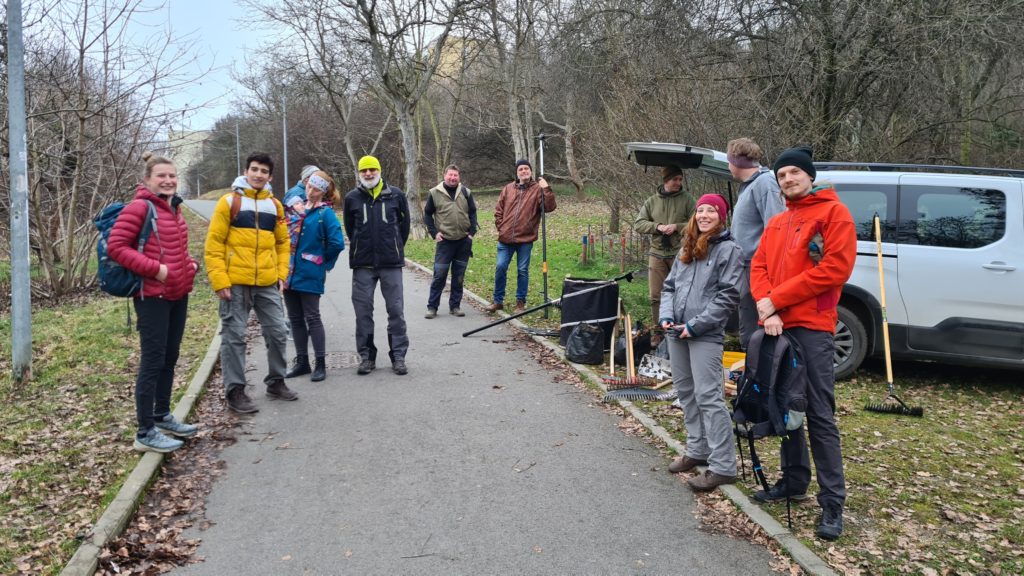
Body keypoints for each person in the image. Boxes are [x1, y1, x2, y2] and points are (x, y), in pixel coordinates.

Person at [749, 145, 857, 541]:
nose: (788, 178)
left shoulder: (834, 215)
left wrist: (777, 299)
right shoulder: (778, 222)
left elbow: (834, 269)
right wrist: (767, 308)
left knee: (818, 413)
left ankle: (833, 502)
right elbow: (758, 266)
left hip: (813, 328)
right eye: (781, 175)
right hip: (778, 328)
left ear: (810, 176)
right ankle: (793, 482)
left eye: (794, 172)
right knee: (784, 406)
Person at [108, 152, 200, 452]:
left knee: (169, 356)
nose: (168, 180)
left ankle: (162, 415)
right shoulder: (139, 207)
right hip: (152, 297)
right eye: (161, 175)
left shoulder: (173, 208)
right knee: (152, 361)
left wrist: (189, 265)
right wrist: (156, 270)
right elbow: (117, 248)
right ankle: (145, 431)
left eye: (172, 176)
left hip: (177, 293)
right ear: (147, 179)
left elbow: (173, 247)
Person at [659, 194, 741, 491]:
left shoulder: (728, 250)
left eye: (712, 211)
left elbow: (728, 295)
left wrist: (695, 325)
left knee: (709, 396)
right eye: (701, 210)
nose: (705, 215)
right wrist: (667, 316)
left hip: (703, 333)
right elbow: (669, 287)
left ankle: (723, 466)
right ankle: (697, 449)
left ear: (721, 217)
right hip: (676, 331)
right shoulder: (688, 246)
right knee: (686, 391)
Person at [205, 152, 296, 413]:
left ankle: (276, 382)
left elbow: (282, 242)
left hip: (267, 281)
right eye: (254, 169)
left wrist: (281, 274)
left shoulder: (275, 206)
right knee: (234, 337)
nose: (258, 174)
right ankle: (235, 391)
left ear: (270, 176)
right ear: (246, 171)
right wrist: (219, 279)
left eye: (263, 171)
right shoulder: (229, 202)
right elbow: (214, 244)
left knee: (278, 332)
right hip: (234, 282)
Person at [343, 155, 411, 375]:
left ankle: (398, 356)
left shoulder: (396, 195)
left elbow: (404, 226)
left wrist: (394, 246)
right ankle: (367, 357)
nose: (368, 174)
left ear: (379, 171)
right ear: (359, 173)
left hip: (390, 263)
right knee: (363, 312)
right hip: (363, 265)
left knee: (396, 311)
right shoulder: (352, 198)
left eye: (372, 169)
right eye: (364, 171)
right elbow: (350, 228)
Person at [283, 170, 345, 382]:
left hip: (310, 273)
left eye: (316, 188)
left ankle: (320, 363)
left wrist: (322, 262)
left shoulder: (325, 214)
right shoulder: (297, 209)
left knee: (312, 317)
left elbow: (337, 242)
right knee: (295, 319)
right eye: (309, 186)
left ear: (323, 192)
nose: (311, 191)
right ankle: (302, 362)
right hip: (289, 273)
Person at [726, 138, 785, 351]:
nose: (728, 165)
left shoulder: (765, 183)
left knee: (755, 326)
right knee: (747, 322)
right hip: (746, 267)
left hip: (758, 269)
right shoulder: (749, 186)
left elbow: (776, 226)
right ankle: (752, 367)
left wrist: (766, 268)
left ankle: (759, 371)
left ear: (736, 162)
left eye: (729, 160)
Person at [484, 159, 556, 313]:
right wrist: (501, 227)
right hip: (506, 239)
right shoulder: (508, 188)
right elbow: (498, 210)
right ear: (517, 173)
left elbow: (549, 207)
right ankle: (498, 301)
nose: (524, 171)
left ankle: (520, 303)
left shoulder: (538, 189)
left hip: (525, 239)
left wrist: (547, 189)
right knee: (500, 267)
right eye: (521, 169)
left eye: (526, 169)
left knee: (522, 270)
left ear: (530, 171)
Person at [634, 165, 695, 340]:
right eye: (675, 179)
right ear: (666, 180)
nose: (678, 182)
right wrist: (657, 227)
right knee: (655, 295)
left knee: (682, 293)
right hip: (657, 253)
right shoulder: (652, 201)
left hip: (680, 252)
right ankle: (658, 333)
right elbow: (639, 224)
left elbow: (697, 221)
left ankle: (679, 330)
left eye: (680, 179)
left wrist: (677, 227)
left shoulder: (688, 199)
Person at [424, 164, 478, 318]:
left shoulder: (466, 192)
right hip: (445, 242)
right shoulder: (434, 193)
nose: (453, 178)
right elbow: (427, 215)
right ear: (444, 175)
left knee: (459, 276)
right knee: (439, 275)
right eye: (450, 175)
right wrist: (434, 233)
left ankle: (455, 306)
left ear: (458, 177)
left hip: (463, 241)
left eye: (456, 175)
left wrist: (471, 232)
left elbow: (473, 212)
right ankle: (432, 307)